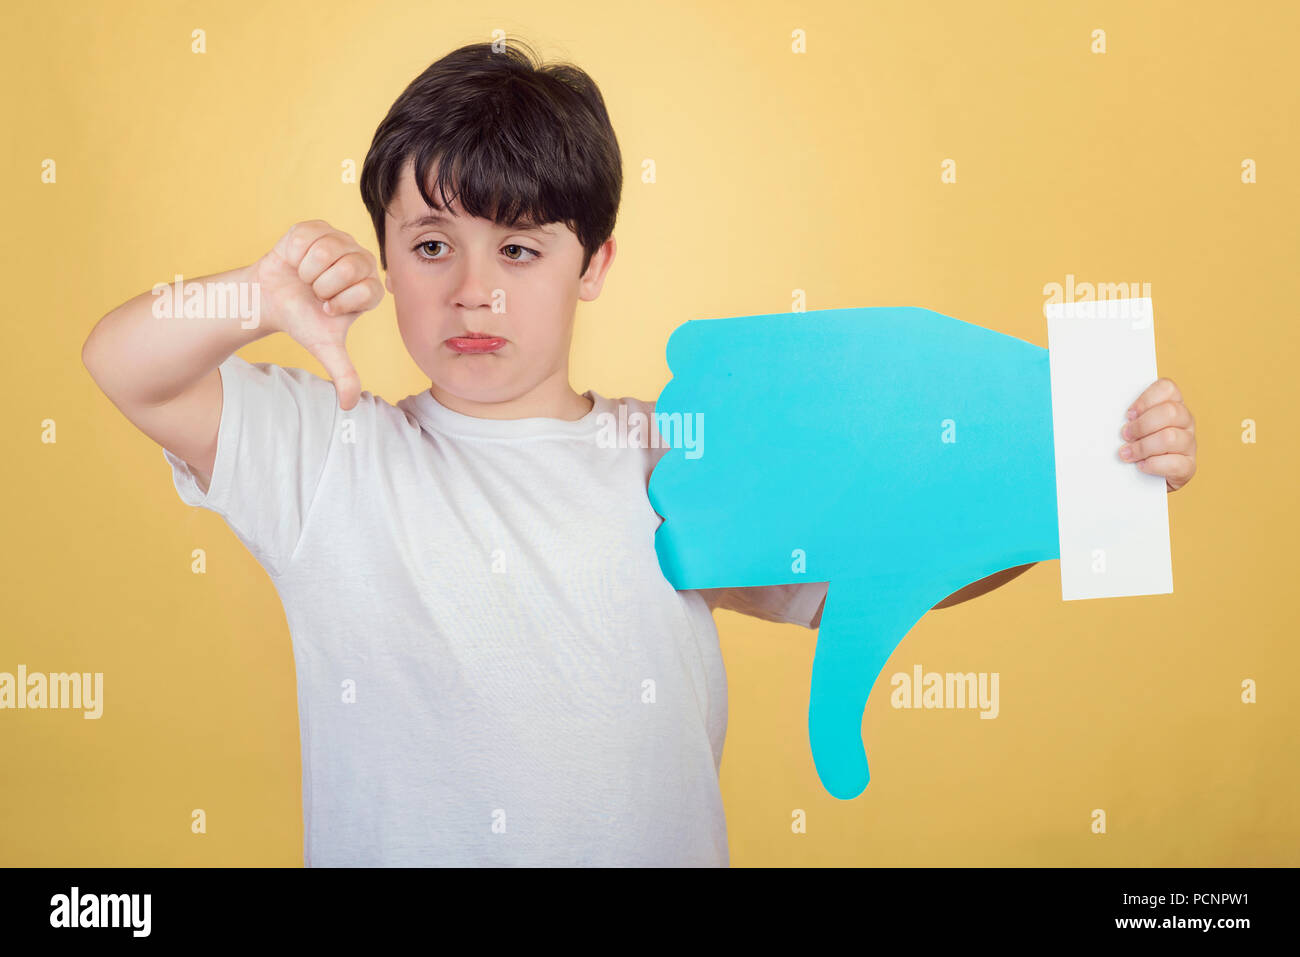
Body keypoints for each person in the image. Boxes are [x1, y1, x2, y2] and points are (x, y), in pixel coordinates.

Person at [80, 38, 1197, 866]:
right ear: (382, 253)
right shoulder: (327, 453)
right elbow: (124, 363)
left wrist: (1089, 474)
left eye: (519, 248)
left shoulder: (676, 453)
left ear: (595, 263)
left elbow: (890, 572)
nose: (473, 289)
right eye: (431, 246)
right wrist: (256, 294)